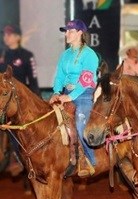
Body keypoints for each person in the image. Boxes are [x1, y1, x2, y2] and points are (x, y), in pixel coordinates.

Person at [49, 19, 99, 177]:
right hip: (65, 94)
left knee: (80, 124)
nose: (66, 34)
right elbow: (59, 76)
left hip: (83, 95)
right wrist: (57, 92)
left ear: (80, 33)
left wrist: (69, 97)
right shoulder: (65, 54)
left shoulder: (90, 55)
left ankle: (89, 160)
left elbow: (86, 80)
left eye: (70, 31)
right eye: (66, 31)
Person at [0, 24, 41, 177]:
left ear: (18, 37)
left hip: (20, 101)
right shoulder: (1, 55)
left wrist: (38, 102)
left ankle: (19, 158)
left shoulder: (26, 55)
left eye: (9, 34)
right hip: (2, 99)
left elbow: (33, 81)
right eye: (5, 34)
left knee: (19, 129)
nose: (6, 37)